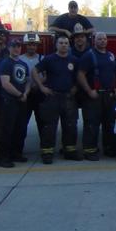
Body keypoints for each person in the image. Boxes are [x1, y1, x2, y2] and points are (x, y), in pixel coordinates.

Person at [33, 35, 81, 164]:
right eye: (61, 42)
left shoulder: (74, 60)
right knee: (49, 126)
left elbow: (80, 75)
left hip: (68, 98)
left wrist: (76, 87)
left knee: (70, 125)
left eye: (66, 43)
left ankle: (69, 151)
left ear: (69, 45)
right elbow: (34, 71)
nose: (64, 45)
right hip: (52, 97)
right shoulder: (49, 59)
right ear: (56, 44)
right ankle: (47, 152)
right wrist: (41, 87)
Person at [77, 32, 116, 160]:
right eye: (99, 39)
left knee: (109, 123)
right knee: (92, 123)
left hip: (109, 95)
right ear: (94, 41)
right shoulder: (88, 55)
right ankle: (90, 151)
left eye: (104, 39)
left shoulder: (111, 56)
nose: (102, 41)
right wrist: (89, 91)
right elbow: (80, 74)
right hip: (94, 97)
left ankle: (108, 148)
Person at [0, 39, 31, 168]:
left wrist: (26, 93)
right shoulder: (5, 63)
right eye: (14, 46)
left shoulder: (23, 64)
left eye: (18, 46)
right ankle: (4, 157)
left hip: (22, 101)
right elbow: (5, 83)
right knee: (7, 130)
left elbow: (28, 81)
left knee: (20, 129)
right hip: (9, 101)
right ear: (9, 48)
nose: (16, 49)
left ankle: (17, 153)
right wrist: (19, 94)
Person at [20, 32, 44, 135]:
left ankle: (45, 148)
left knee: (42, 122)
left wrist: (38, 84)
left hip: (39, 94)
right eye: (29, 44)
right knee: (22, 123)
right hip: (25, 95)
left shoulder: (42, 59)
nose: (32, 47)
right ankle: (18, 149)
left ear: (37, 46)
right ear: (25, 45)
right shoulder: (19, 59)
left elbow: (47, 75)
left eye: (34, 44)